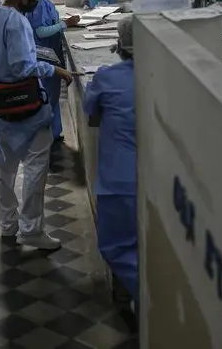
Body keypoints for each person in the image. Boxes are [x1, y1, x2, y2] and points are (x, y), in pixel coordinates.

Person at [0, 0, 75, 250]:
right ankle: (31, 229)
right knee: (35, 167)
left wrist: (0, 76)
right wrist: (53, 69)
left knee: (3, 170)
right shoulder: (16, 21)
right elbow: (23, 66)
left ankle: (8, 225)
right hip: (25, 104)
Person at [83, 16, 138, 301]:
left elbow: (89, 106)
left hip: (121, 181)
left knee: (117, 247)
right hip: (164, 178)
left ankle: (152, 304)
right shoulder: (168, 79)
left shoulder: (108, 77)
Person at [26, 0, 79, 147]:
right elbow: (40, 31)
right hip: (44, 54)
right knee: (47, 96)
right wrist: (66, 24)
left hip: (50, 53)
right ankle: (46, 135)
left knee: (52, 97)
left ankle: (54, 133)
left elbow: (48, 25)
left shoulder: (45, 2)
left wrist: (62, 22)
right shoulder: (40, 4)